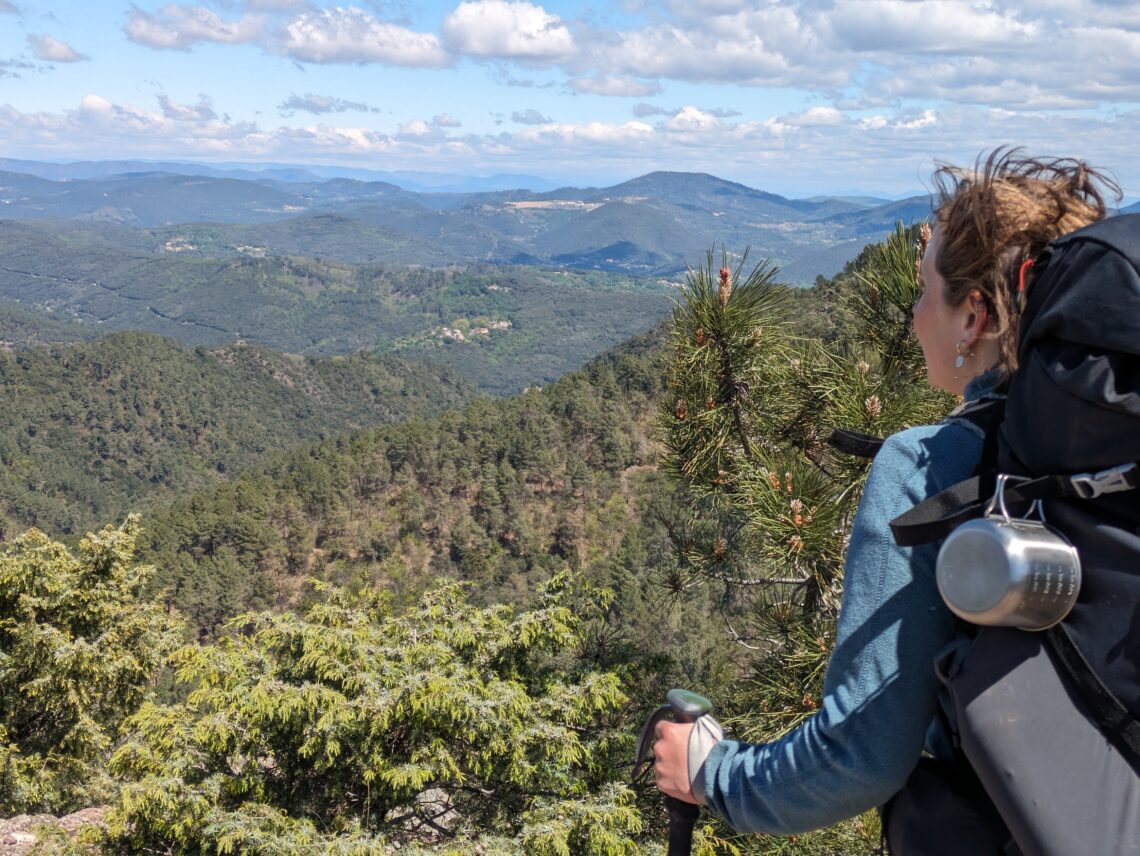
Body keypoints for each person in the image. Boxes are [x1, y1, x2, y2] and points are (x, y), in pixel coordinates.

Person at [652, 149, 1119, 850]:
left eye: (925, 291)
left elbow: (857, 757)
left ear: (975, 319)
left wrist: (712, 771)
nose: (910, 315)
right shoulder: (1111, 461)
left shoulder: (932, 467)